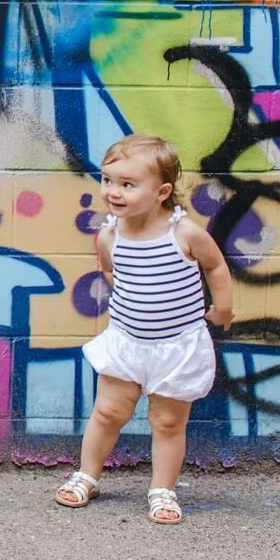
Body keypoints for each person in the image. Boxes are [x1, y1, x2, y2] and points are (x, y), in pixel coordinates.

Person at [54, 134, 234, 523]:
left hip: (177, 347)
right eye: (107, 180)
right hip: (127, 342)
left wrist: (223, 307)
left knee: (167, 422)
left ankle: (162, 490)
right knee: (107, 411)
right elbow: (112, 272)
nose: (112, 191)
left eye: (127, 184)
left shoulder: (183, 233)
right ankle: (87, 475)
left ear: (162, 192)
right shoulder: (110, 235)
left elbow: (216, 266)